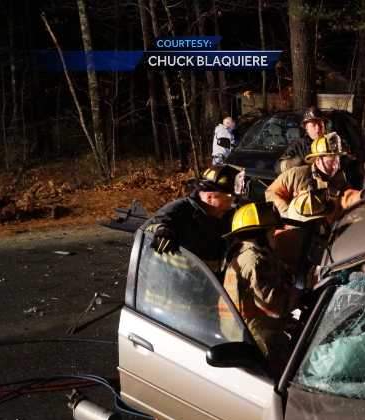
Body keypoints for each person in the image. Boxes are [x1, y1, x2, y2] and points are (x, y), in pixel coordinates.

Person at [220, 202, 301, 369]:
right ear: (259, 236)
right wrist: (302, 294)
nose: (275, 239)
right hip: (259, 340)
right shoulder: (255, 261)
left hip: (238, 334)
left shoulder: (240, 255)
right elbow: (274, 307)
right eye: (272, 235)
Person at [147, 165, 239, 271]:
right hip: (171, 284)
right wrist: (161, 230)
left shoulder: (222, 215)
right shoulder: (179, 210)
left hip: (205, 284)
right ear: (210, 197)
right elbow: (150, 228)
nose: (230, 206)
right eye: (228, 200)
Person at [265, 132, 352, 217]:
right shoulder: (298, 175)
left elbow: (347, 197)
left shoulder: (340, 177)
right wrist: (287, 213)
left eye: (337, 160)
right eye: (331, 162)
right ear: (318, 160)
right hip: (299, 227)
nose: (336, 166)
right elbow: (271, 193)